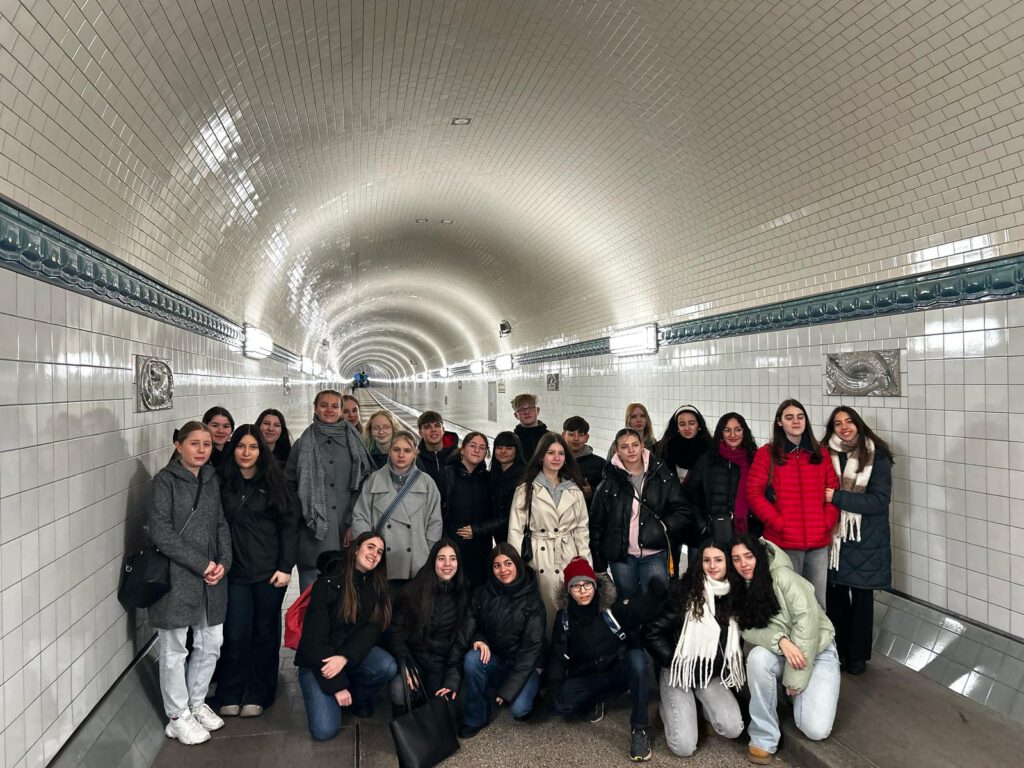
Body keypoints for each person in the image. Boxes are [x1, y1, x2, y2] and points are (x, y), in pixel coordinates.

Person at [147, 421, 231, 745]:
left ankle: (196, 703)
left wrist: (223, 563)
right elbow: (161, 532)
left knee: (211, 642)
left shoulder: (210, 479)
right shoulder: (164, 481)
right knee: (174, 648)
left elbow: (220, 523)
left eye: (206, 444)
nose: (201, 450)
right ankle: (176, 715)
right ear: (178, 445)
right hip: (177, 577)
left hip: (211, 577)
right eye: (194, 443)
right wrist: (202, 564)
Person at [214, 425, 299, 718]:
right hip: (234, 573)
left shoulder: (275, 485)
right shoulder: (221, 484)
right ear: (233, 449)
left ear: (261, 451)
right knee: (235, 633)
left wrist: (285, 567)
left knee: (264, 633)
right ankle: (230, 691)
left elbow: (290, 528)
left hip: (268, 573)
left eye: (253, 447)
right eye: (241, 446)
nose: (246, 453)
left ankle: (259, 691)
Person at [732, 535, 840, 765]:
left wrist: (795, 677)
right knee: (757, 658)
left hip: (818, 651)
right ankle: (763, 737)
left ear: (759, 556)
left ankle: (796, 691)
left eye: (748, 556)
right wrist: (780, 640)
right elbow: (747, 631)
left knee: (815, 730)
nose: (743, 564)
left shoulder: (783, 576)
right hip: (782, 651)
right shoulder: (739, 588)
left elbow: (808, 623)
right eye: (736, 559)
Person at [548, 557, 659, 762]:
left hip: (617, 667)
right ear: (569, 591)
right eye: (576, 586)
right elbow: (558, 654)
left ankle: (639, 729)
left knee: (637, 660)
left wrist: (654, 595)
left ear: (595, 585)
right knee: (561, 705)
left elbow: (638, 612)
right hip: (588, 673)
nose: (583, 591)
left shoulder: (611, 608)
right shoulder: (563, 617)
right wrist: (554, 685)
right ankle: (600, 698)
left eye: (587, 585)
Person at [645, 541, 745, 758]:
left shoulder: (735, 595)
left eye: (718, 560)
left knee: (733, 728)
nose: (712, 566)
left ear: (727, 563)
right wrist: (674, 661)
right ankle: (666, 708)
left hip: (710, 673)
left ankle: (699, 705)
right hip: (679, 669)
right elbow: (652, 632)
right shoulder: (684, 593)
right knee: (683, 747)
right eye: (706, 560)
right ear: (699, 563)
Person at [294, 534, 398, 741]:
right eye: (370, 547)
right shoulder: (327, 584)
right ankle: (341, 691)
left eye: (379, 552)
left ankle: (359, 698)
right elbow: (314, 640)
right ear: (356, 549)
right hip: (318, 662)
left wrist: (344, 658)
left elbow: (372, 631)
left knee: (386, 666)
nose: (375, 554)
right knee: (324, 731)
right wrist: (338, 686)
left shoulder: (377, 587)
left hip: (347, 657)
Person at [822, 406, 894, 676]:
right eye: (838, 423)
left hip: (865, 538)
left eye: (849, 421)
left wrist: (837, 497)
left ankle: (858, 656)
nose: (844, 427)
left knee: (863, 599)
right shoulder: (823, 453)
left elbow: (879, 501)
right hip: (834, 537)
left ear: (858, 424)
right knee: (835, 595)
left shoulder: (876, 454)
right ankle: (838, 650)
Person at [746, 399, 839, 606]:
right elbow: (753, 493)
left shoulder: (820, 454)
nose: (796, 421)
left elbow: (833, 492)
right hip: (783, 542)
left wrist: (826, 523)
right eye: (789, 417)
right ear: (779, 422)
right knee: (788, 603)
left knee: (817, 603)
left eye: (800, 417)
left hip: (817, 543)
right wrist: (779, 523)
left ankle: (817, 630)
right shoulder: (767, 454)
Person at [589, 428, 702, 598]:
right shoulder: (608, 483)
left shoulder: (662, 475)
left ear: (642, 446)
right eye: (624, 446)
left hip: (655, 553)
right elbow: (597, 524)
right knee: (628, 602)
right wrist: (599, 563)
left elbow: (683, 510)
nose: (631, 450)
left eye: (635, 445)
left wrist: (663, 526)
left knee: (657, 603)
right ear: (617, 450)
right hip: (621, 556)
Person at [449, 543, 546, 738]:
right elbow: (468, 628)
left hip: (524, 666)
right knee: (473, 658)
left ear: (517, 564)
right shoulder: (481, 593)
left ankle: (534, 691)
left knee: (519, 709)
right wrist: (477, 639)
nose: (503, 570)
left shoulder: (533, 601)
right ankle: (475, 718)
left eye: (508, 563)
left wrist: (508, 690)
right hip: (496, 660)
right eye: (497, 565)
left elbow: (531, 650)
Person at [286, 389, 374, 591]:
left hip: (347, 533)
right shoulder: (302, 444)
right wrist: (305, 512)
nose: (329, 410)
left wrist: (354, 522)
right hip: (312, 535)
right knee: (311, 597)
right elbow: (289, 484)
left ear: (341, 410)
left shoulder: (355, 443)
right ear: (315, 409)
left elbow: (364, 484)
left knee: (346, 596)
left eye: (335, 406)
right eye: (323, 405)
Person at [508, 433, 590, 635]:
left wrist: (585, 562)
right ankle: (544, 648)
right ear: (540, 457)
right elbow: (516, 530)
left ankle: (567, 647)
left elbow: (581, 529)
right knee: (543, 608)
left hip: (569, 553)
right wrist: (515, 566)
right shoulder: (526, 489)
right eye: (550, 453)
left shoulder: (574, 490)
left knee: (571, 604)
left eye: (561, 453)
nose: (556, 458)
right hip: (539, 555)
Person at [385, 538, 469, 715]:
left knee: (442, 713)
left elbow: (465, 637)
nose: (447, 564)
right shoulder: (413, 591)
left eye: (452, 558)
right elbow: (395, 632)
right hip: (414, 660)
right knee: (399, 690)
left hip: (442, 665)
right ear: (433, 562)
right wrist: (404, 661)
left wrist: (453, 676)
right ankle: (404, 725)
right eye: (441, 558)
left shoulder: (463, 594)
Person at [350, 431, 443, 590]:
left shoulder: (428, 484)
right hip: (381, 562)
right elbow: (360, 517)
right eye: (396, 449)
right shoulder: (374, 480)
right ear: (389, 451)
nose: (401, 455)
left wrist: (426, 553)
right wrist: (369, 551)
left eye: (407, 450)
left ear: (415, 453)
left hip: (416, 563)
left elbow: (435, 523)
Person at [684, 412, 762, 542]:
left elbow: (763, 495)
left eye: (738, 430)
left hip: (747, 533)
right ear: (721, 433)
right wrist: (702, 525)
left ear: (744, 432)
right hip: (712, 532)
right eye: (727, 430)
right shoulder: (707, 460)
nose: (733, 435)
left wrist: (757, 527)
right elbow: (691, 495)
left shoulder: (755, 460)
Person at [438, 432, 502, 587]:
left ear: (486, 453)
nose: (477, 450)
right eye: (472, 446)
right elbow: (436, 514)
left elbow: (499, 517)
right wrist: (446, 542)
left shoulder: (489, 479)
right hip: (452, 550)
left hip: (481, 552)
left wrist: (477, 529)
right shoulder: (446, 475)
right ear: (462, 449)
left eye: (482, 447)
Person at [654, 405, 712, 483]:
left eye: (691, 423)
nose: (687, 428)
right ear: (677, 427)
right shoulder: (665, 448)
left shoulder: (710, 447)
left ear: (699, 425)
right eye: (682, 424)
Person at [562, 416, 607, 506]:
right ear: (563, 436)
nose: (576, 438)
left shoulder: (600, 464)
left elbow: (607, 494)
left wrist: (591, 493)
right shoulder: (555, 461)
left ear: (586, 438)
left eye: (581, 435)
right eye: (571, 434)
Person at [489, 431, 524, 541]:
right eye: (499, 447)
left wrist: (479, 529)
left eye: (509, 448)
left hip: (515, 536)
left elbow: (509, 516)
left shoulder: (522, 478)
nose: (503, 451)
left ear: (517, 450)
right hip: (499, 534)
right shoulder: (495, 473)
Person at [416, 410, 459, 488]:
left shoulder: (458, 455)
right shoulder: (416, 459)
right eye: (427, 427)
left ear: (443, 430)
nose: (433, 430)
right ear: (420, 433)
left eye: (437, 426)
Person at [511, 393, 549, 461]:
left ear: (537, 411)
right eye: (521, 409)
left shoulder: (550, 438)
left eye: (530, 408)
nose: (527, 412)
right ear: (516, 415)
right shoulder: (512, 440)